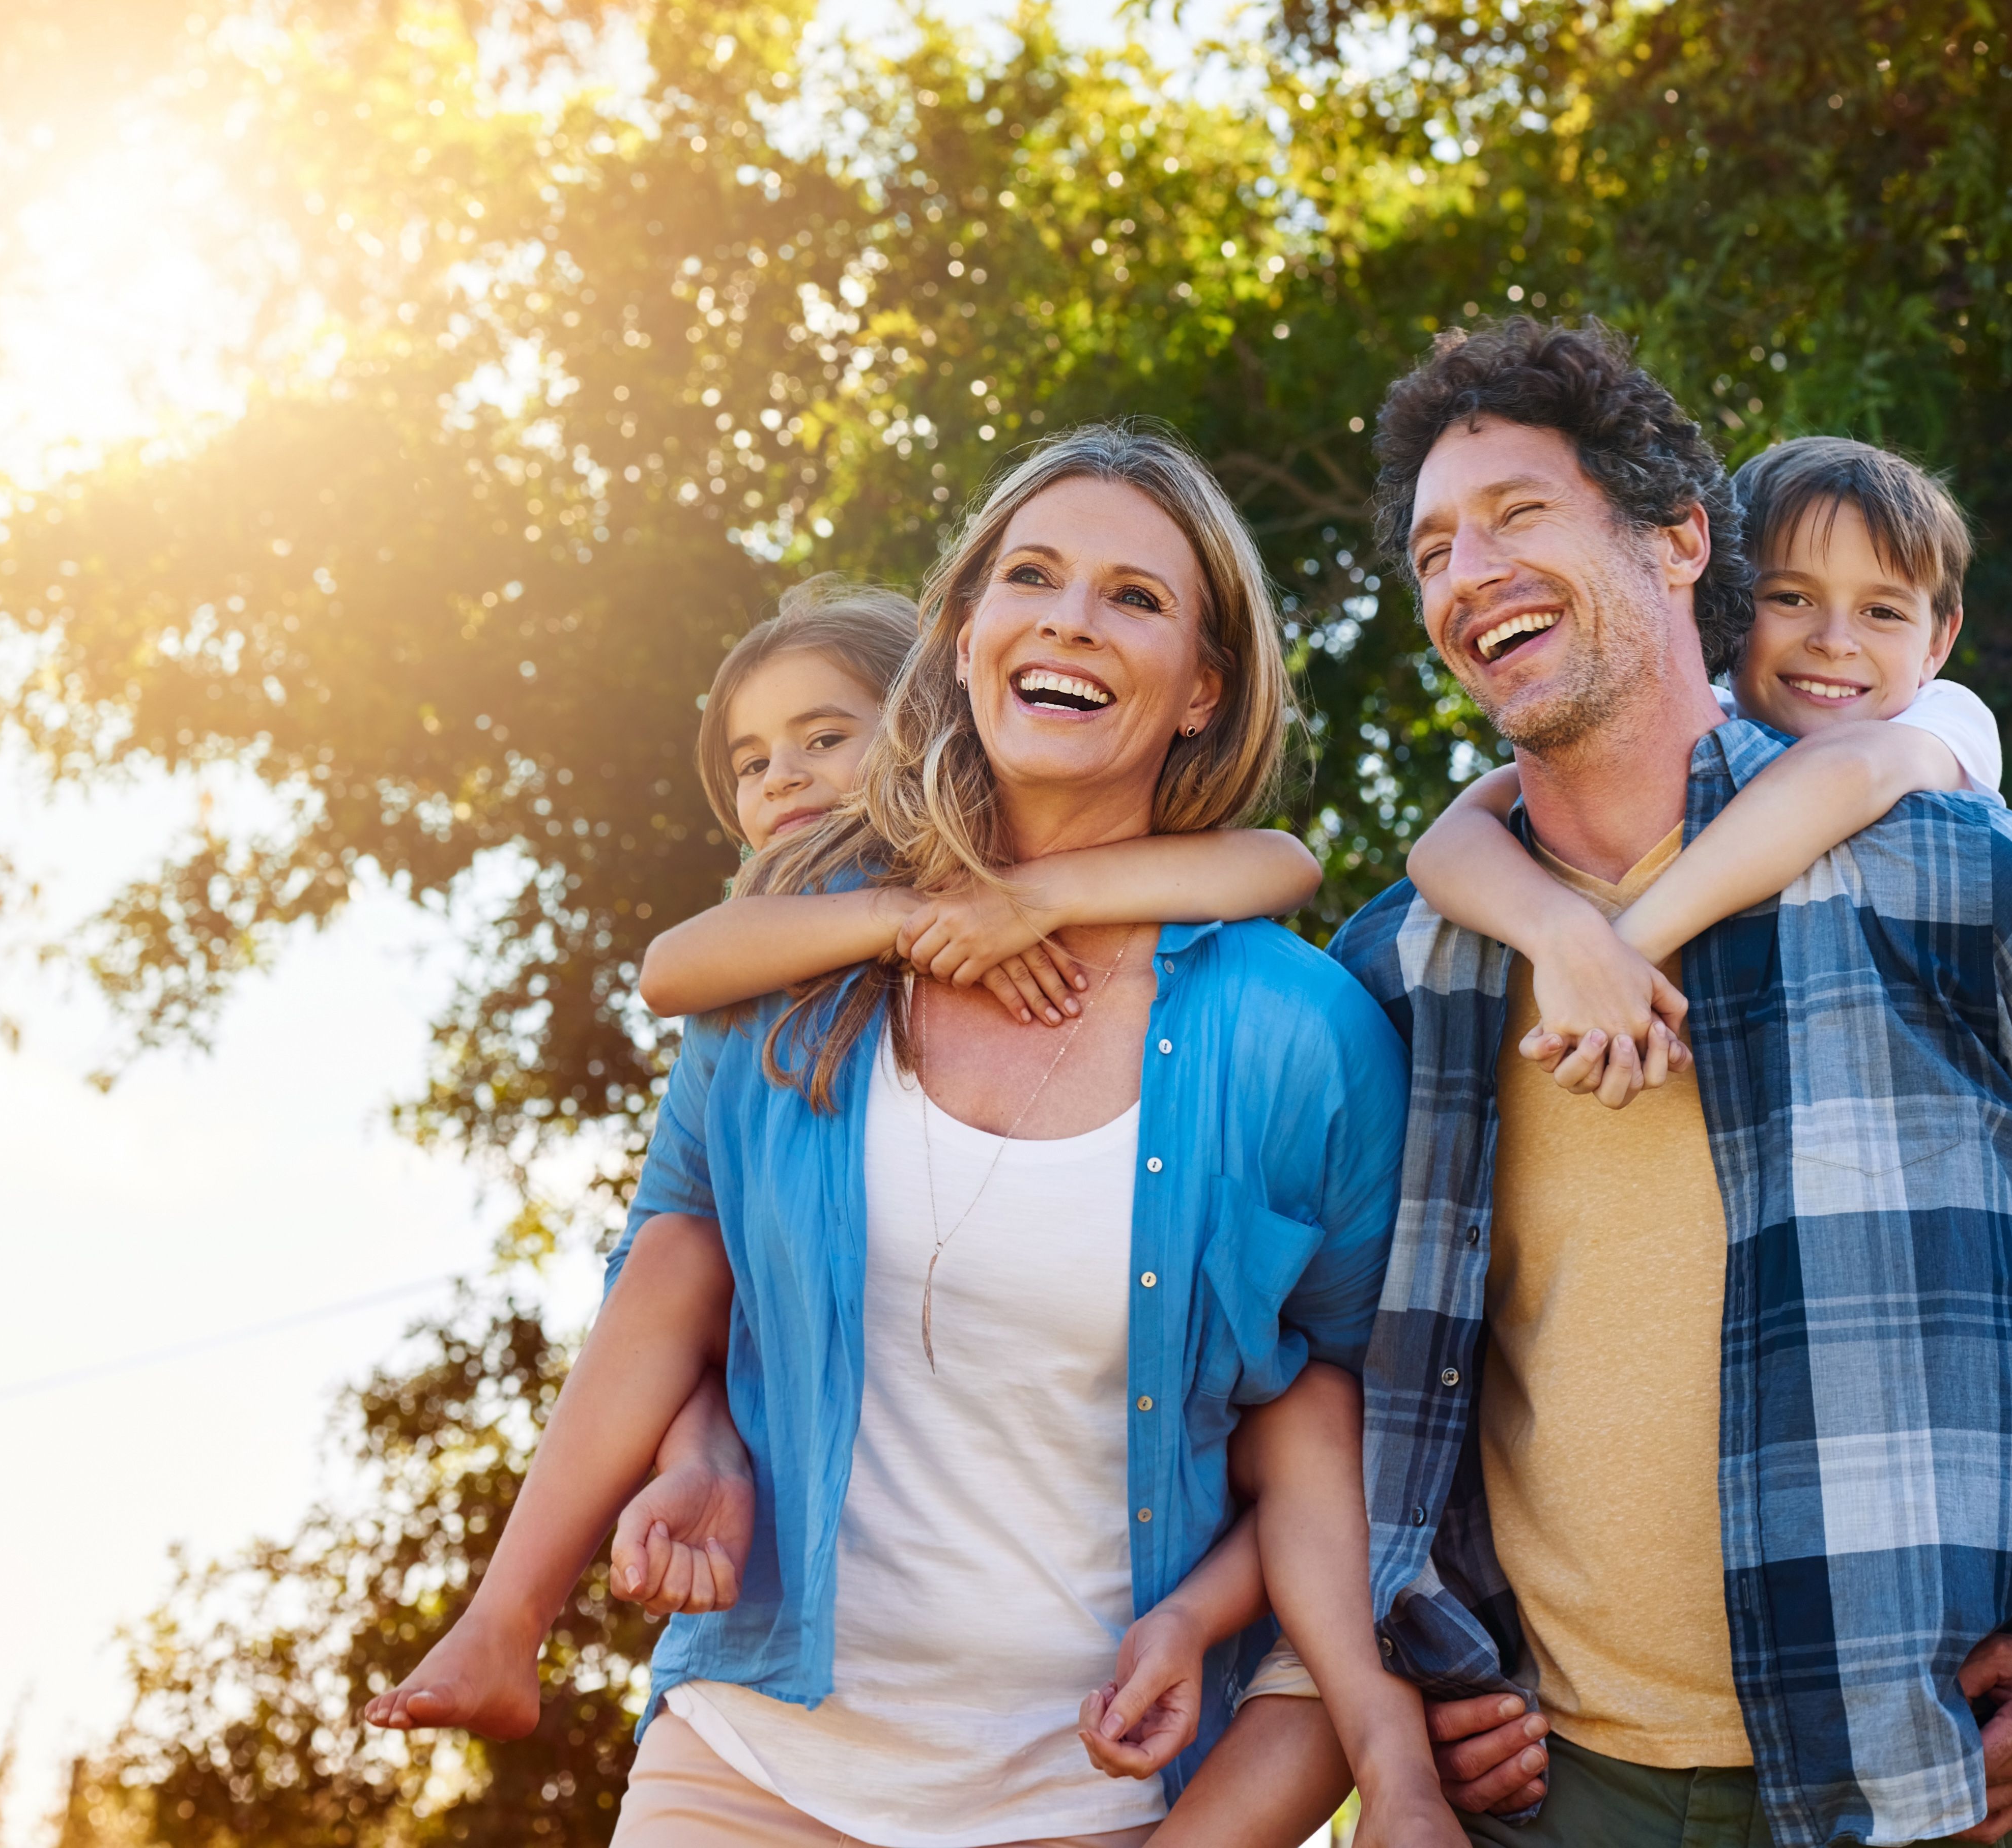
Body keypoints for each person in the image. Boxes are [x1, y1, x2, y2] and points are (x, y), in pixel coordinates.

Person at [1325, 321, 2012, 1848]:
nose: (1467, 571)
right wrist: (1396, 1721)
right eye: (1434, 549)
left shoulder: (1960, 872)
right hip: (1548, 1797)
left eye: (1517, 515)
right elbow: (1322, 1383)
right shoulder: (1403, 966)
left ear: (1675, 543)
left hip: (1916, 1794)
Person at [599, 424, 1447, 1848]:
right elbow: (668, 1282)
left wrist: (1248, 1696)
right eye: (1031, 575)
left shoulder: (1301, 1040)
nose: (1067, 617)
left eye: (1134, 596)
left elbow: (1365, 1468)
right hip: (741, 1774)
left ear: (1201, 690)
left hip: (1091, 1804)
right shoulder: (790, 983)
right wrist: (704, 1452)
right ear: (963, 631)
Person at [365, 573, 1325, 1740]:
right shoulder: (772, 955)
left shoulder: (1030, 894)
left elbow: (1279, 862)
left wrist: (1020, 901)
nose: (784, 780)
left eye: (825, 737)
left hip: (1057, 1658)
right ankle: (505, 1613)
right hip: (760, 1464)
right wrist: (916, 927)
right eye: (752, 762)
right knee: (675, 1243)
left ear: (928, 721)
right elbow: (669, 971)